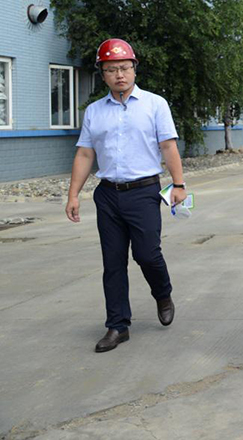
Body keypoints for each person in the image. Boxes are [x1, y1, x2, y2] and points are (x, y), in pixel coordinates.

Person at [66, 38, 186, 353]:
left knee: (147, 255)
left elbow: (168, 146)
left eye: (124, 67)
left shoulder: (155, 104)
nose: (119, 74)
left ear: (134, 69)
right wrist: (73, 194)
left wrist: (179, 184)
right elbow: (85, 154)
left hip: (144, 192)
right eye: (111, 69)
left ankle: (162, 293)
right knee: (113, 262)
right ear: (102, 74)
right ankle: (118, 325)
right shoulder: (94, 112)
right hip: (108, 195)